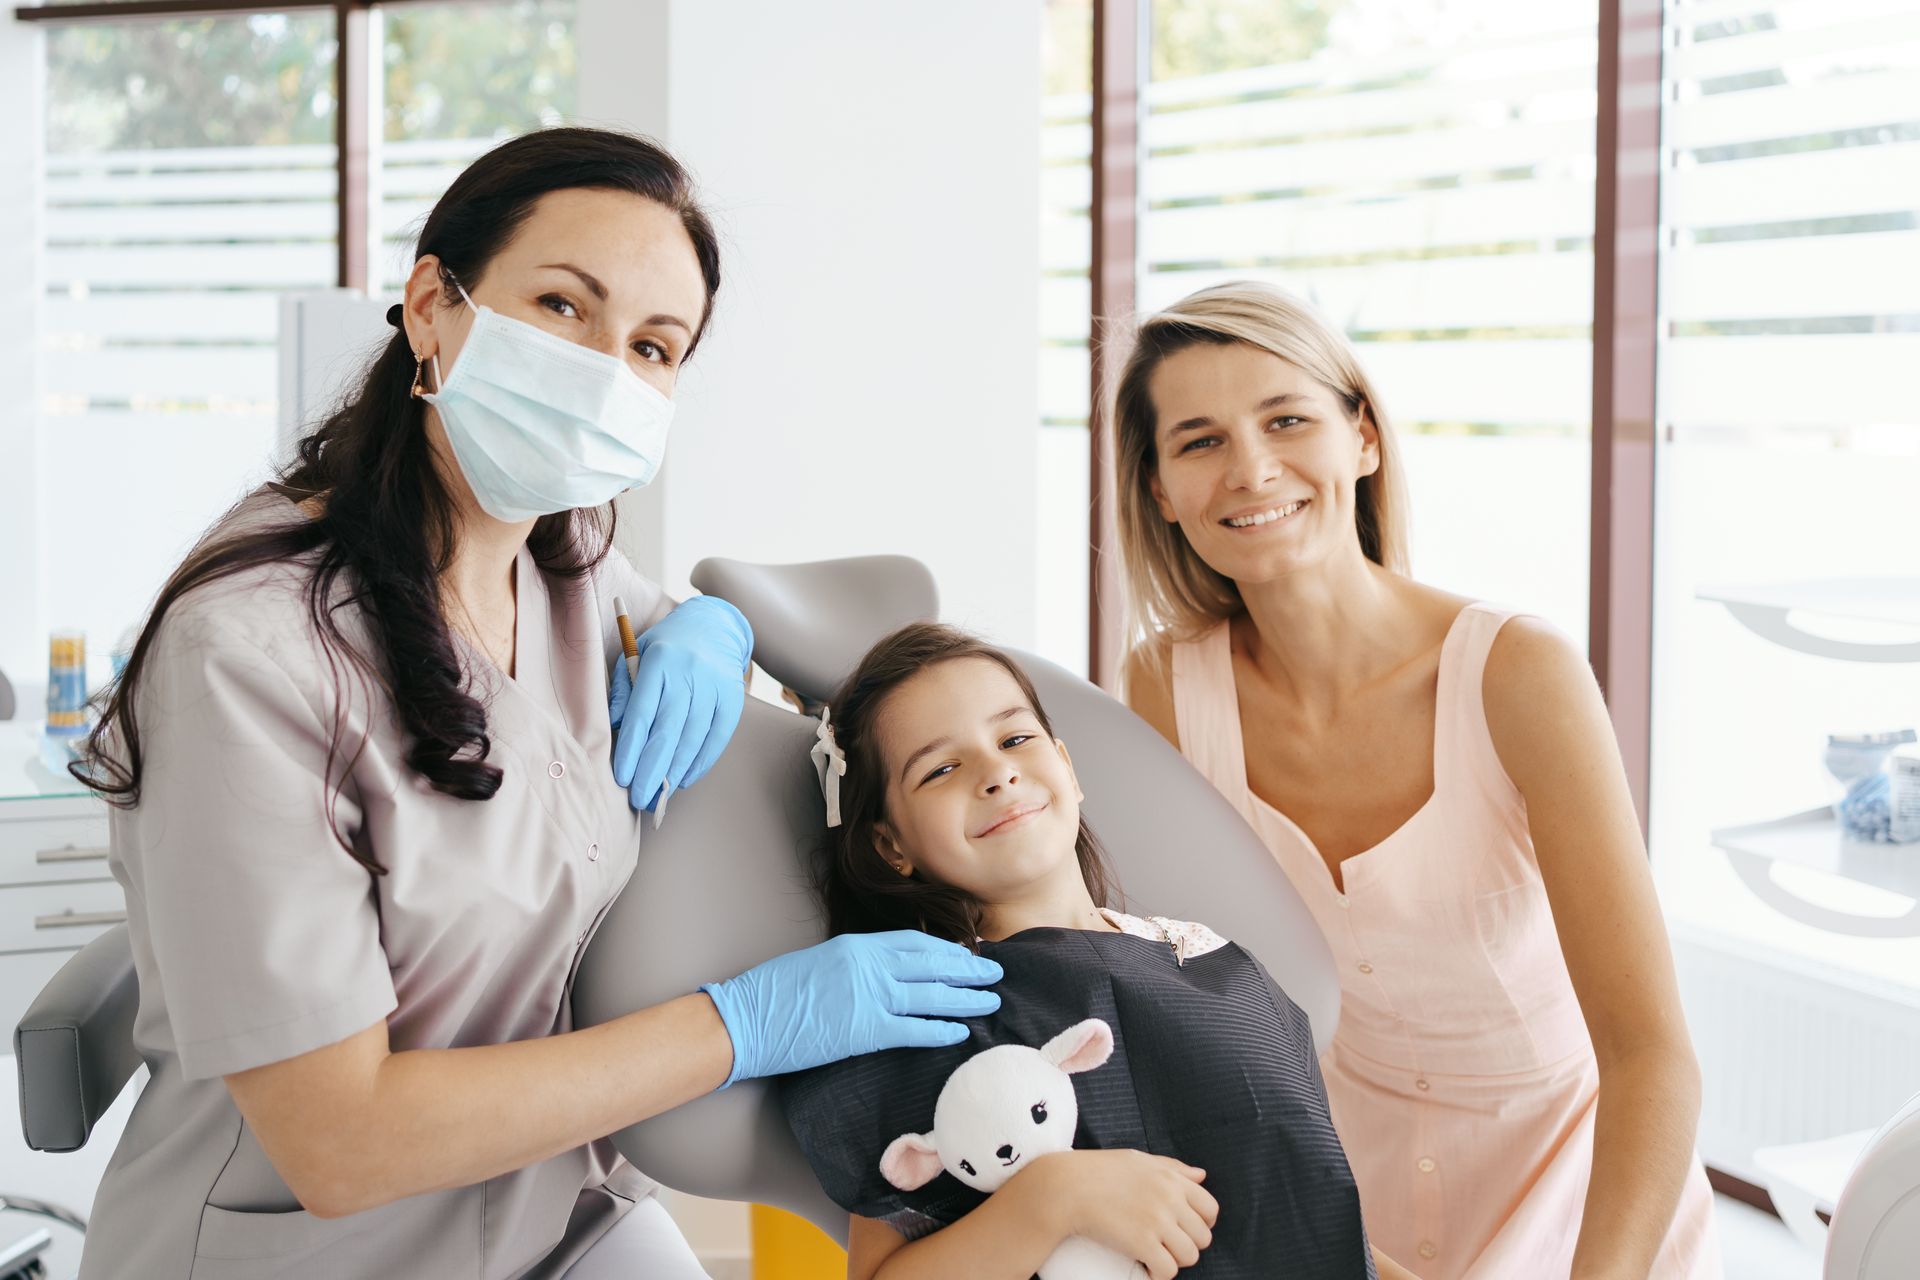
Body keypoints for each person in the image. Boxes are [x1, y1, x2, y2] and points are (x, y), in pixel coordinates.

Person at [71, 127, 1000, 1278]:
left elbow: (666, 623)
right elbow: (340, 1138)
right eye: (563, 307)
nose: (607, 370)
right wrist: (744, 1023)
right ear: (431, 306)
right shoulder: (248, 653)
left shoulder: (561, 562)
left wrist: (719, 628)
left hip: (561, 1210)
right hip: (325, 1246)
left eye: (655, 346)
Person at [1115, 282, 1721, 1278]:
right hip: (1344, 1184)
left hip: (1581, 1184)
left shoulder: (1518, 674)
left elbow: (1653, 1054)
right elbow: (1193, 1000)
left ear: (1363, 438)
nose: (1251, 467)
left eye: (1286, 419)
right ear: (1160, 492)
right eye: (1200, 440)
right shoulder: (1164, 687)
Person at [780, 623, 1416, 1280]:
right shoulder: (922, 1007)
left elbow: (1313, 1216)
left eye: (1015, 738)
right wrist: (1050, 1202)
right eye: (941, 768)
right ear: (892, 846)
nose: (996, 772)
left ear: (1068, 767)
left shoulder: (1217, 963)